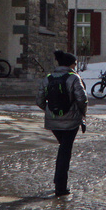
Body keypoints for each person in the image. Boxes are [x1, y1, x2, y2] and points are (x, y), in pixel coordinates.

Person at [35, 50, 87, 198]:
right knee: (65, 152)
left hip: (53, 122)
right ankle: (60, 186)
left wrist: (50, 112)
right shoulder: (74, 78)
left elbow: (39, 100)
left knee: (63, 149)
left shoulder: (48, 78)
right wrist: (81, 114)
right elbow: (82, 99)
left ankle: (58, 182)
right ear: (70, 64)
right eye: (75, 63)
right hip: (71, 121)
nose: (75, 66)